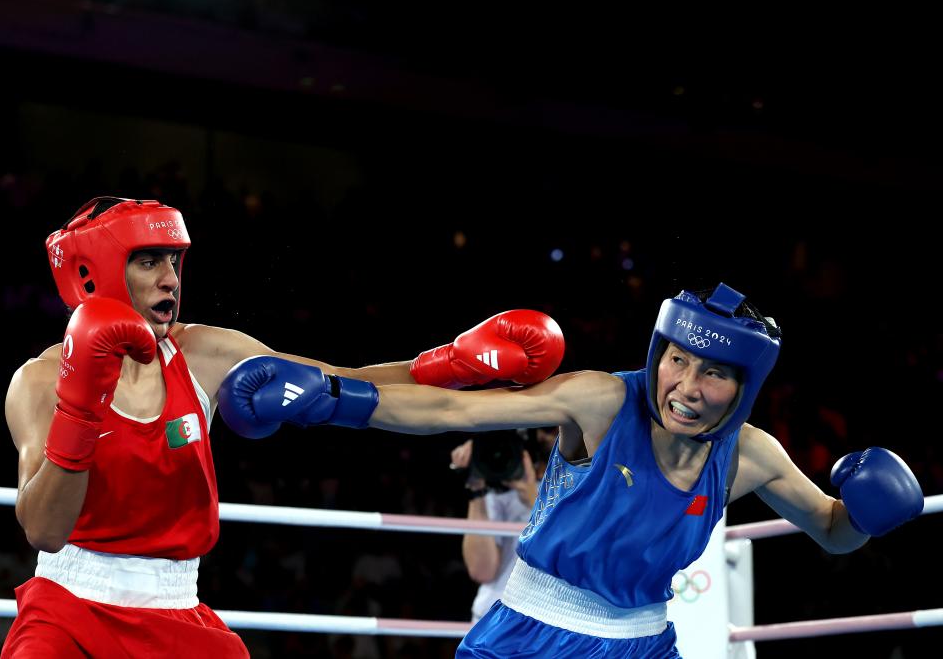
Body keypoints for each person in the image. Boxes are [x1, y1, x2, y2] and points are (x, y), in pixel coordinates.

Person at [217, 282, 925, 658]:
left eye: (713, 371)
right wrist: (337, 396)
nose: (685, 383)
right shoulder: (603, 400)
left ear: (746, 387)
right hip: (530, 632)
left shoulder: (749, 455)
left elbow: (833, 531)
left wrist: (866, 510)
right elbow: (451, 414)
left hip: (646, 644)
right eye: (678, 357)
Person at [0, 196, 565, 656]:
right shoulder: (39, 381)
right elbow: (44, 529)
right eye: (149, 261)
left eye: (175, 261)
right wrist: (82, 403)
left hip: (174, 610)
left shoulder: (203, 354)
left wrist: (456, 365)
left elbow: (340, 378)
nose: (170, 278)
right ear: (92, 273)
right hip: (69, 608)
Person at [450, 427, 558, 622]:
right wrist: (476, 489)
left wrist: (535, 501)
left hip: (551, 622)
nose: (550, 436)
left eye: (555, 428)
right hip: (495, 616)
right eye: (544, 429)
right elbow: (481, 570)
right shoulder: (503, 481)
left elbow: (576, 557)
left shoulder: (586, 483)